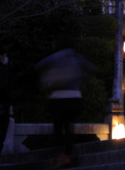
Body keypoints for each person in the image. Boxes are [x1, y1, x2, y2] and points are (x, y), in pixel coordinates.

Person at [35, 37, 97, 168]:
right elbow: (93, 69)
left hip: (57, 98)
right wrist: (80, 80)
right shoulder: (76, 57)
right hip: (74, 97)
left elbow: (39, 66)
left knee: (58, 129)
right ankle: (67, 156)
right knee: (69, 127)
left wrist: (47, 81)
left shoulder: (54, 57)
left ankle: (59, 156)